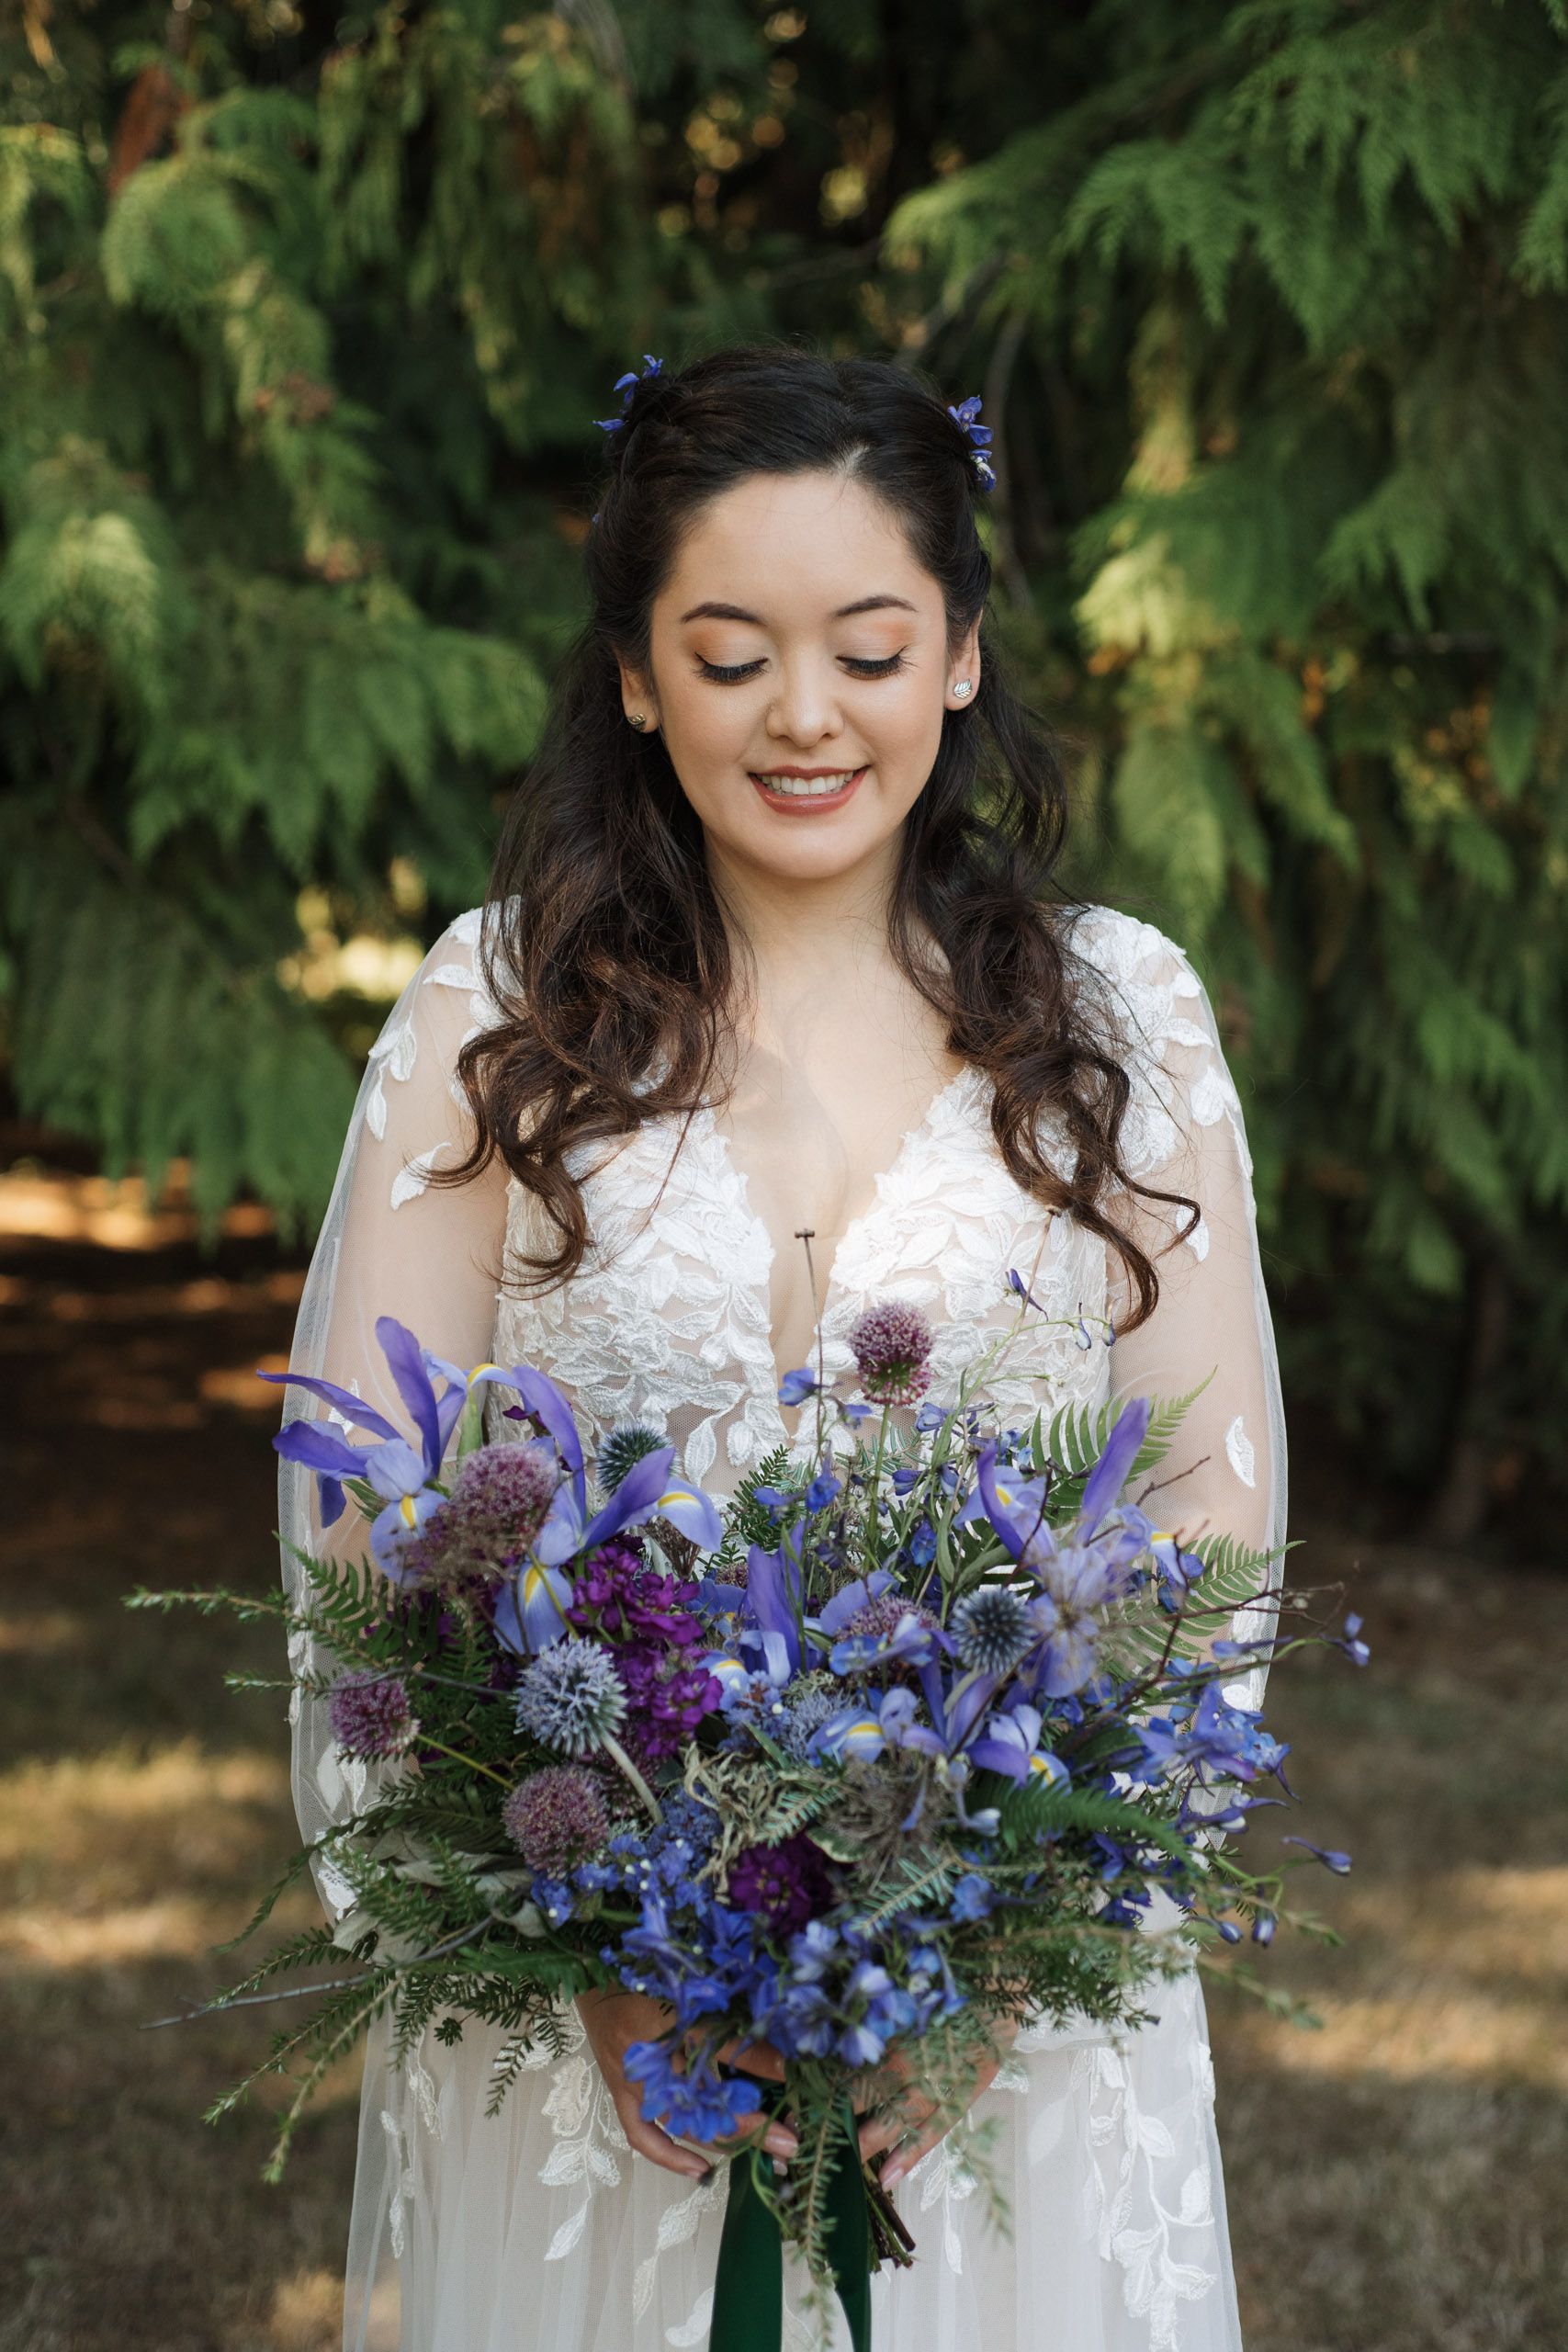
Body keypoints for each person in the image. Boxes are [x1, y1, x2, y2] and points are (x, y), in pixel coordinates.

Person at [277, 344, 1286, 2352]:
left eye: (868, 644)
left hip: (996, 2033)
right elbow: (359, 1521)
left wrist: (1008, 1944)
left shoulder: (1119, 1020)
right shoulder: (496, 1015)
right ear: (639, 678)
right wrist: (579, 1946)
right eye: (728, 654)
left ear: (964, 654)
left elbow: (1199, 1518)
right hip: (596, 2022)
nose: (803, 713)